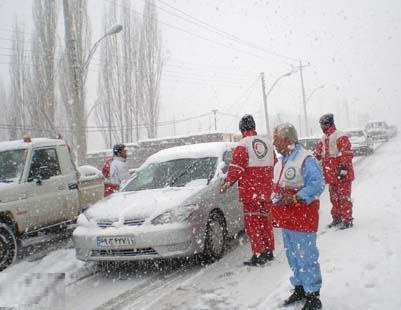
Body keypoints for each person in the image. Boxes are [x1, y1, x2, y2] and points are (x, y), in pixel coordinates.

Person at [271, 123, 324, 310]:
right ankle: (300, 287)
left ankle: (313, 295)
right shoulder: (282, 161)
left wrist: (296, 197)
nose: (274, 143)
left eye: (276, 139)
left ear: (287, 140)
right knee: (293, 255)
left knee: (306, 256)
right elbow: (278, 187)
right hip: (288, 220)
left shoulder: (305, 159)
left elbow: (317, 185)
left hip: (303, 218)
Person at [220, 114, 275, 266]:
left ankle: (259, 254)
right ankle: (269, 251)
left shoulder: (243, 144)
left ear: (242, 129)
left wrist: (227, 183)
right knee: (265, 222)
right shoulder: (267, 143)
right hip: (267, 191)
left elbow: (236, 167)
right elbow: (275, 163)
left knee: (253, 224)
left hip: (251, 192)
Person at [314, 113, 355, 229]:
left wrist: (343, 169)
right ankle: (337, 218)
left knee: (343, 197)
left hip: (342, 175)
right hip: (331, 175)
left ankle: (347, 220)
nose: (321, 127)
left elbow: (346, 153)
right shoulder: (323, 139)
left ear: (327, 124)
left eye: (322, 124)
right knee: (334, 198)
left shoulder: (340, 136)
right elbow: (317, 154)